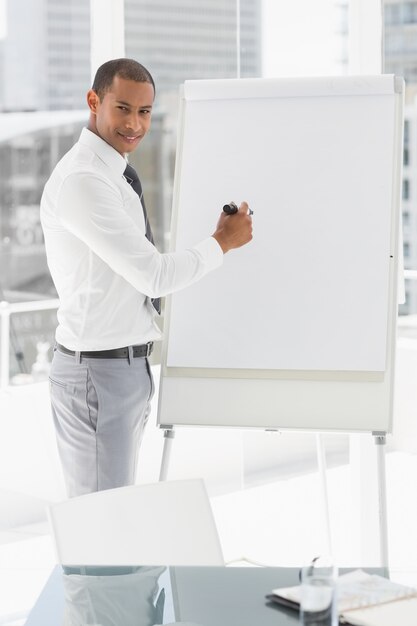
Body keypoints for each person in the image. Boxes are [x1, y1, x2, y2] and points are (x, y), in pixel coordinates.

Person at [40, 58, 252, 497]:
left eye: (145, 112)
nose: (134, 124)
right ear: (94, 101)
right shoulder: (84, 181)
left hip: (120, 367)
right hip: (97, 372)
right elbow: (153, 276)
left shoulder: (113, 174)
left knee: (111, 517)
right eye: (123, 108)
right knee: (103, 524)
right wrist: (221, 242)